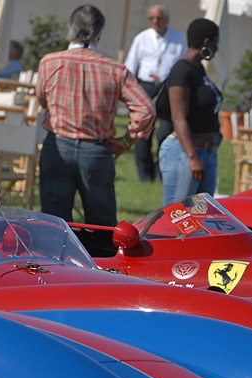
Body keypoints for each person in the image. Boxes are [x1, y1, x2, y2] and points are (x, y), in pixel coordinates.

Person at [36, 4, 155, 226]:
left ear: (71, 30)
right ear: (98, 35)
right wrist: (127, 141)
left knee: (53, 224)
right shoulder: (114, 69)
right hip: (96, 150)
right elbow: (146, 109)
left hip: (58, 144)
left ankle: (57, 261)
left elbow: (43, 100)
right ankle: (101, 261)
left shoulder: (49, 62)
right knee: (101, 225)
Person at [158, 17, 221, 207]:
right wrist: (193, 157)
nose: (217, 47)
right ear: (206, 42)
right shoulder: (182, 70)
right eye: (216, 41)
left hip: (206, 152)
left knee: (201, 218)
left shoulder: (199, 69)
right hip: (185, 153)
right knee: (178, 216)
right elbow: (178, 117)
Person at [124, 4, 187, 182]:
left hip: (168, 87)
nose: (155, 22)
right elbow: (130, 67)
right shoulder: (141, 38)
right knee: (143, 133)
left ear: (166, 19)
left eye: (158, 18)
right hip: (145, 86)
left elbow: (182, 65)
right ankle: (145, 175)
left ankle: (161, 172)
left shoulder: (177, 38)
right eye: (151, 18)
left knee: (165, 133)